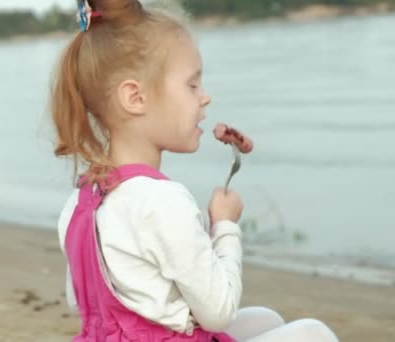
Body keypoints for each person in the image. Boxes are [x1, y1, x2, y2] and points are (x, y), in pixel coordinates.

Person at [50, 1, 340, 341]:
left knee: (265, 319)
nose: (205, 98)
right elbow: (218, 312)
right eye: (192, 85)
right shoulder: (161, 200)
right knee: (313, 333)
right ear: (135, 97)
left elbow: (79, 301)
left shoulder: (81, 201)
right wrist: (225, 227)